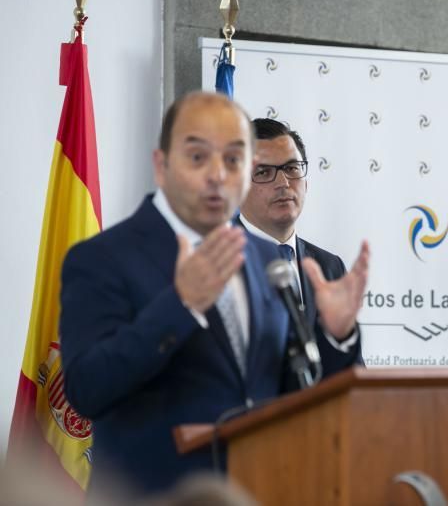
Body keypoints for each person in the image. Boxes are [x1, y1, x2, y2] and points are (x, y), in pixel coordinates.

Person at [59, 92, 369, 497]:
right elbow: (86, 390)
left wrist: (335, 337)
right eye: (198, 157)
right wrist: (180, 305)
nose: (217, 174)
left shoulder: (263, 260)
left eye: (234, 159)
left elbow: (298, 393)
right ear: (161, 166)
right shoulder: (102, 258)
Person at [237, 118, 362, 371]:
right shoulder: (217, 262)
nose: (283, 183)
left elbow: (348, 374)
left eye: (292, 168)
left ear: (306, 181)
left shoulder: (328, 266)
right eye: (263, 172)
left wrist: (341, 337)